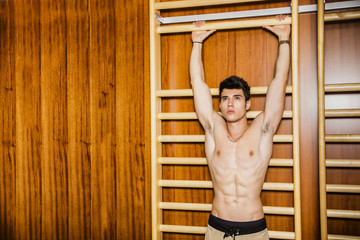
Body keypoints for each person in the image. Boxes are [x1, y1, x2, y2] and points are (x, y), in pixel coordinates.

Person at [190, 15, 291, 240]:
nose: (230, 103)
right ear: (220, 105)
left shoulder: (263, 128)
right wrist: (197, 43)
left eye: (236, 98)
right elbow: (198, 82)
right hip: (216, 228)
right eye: (225, 99)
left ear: (247, 104)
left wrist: (284, 39)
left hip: (253, 230)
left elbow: (280, 80)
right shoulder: (213, 129)